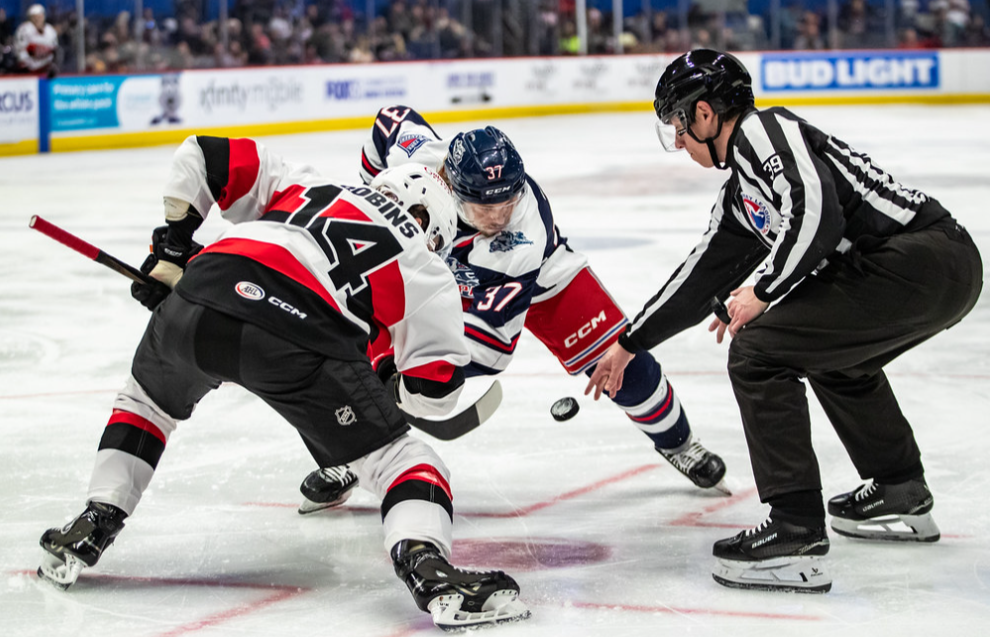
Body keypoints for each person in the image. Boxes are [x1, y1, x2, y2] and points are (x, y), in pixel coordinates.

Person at [37, 136, 531, 631]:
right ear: (434, 227)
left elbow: (203, 155)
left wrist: (175, 248)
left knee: (145, 403)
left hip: (202, 291)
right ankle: (429, 571)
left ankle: (95, 520)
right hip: (301, 334)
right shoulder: (426, 264)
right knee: (405, 461)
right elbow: (436, 392)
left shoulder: (310, 185)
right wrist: (384, 384)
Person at [586, 49, 983, 593]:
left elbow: (816, 215)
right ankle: (899, 490)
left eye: (678, 124)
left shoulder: (763, 131)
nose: (678, 141)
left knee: (758, 352)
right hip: (928, 269)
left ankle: (796, 530)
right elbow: (700, 276)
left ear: (705, 113)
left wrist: (763, 291)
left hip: (923, 257)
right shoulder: (742, 191)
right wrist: (630, 341)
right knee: (833, 358)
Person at [297, 105, 729, 514]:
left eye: (508, 200)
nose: (500, 215)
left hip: (541, 283)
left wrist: (411, 378)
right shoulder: (418, 157)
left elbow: (488, 349)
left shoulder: (518, 240)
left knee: (623, 366)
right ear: (451, 186)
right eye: (487, 205)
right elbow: (388, 121)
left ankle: (678, 443)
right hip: (437, 270)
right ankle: (348, 453)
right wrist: (376, 190)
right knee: (347, 339)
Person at [14, 4, 57, 76]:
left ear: (43, 16)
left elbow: (54, 51)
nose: (37, 19)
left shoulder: (50, 31)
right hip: (28, 70)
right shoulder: (24, 30)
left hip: (45, 69)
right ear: (30, 18)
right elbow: (20, 53)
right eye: (34, 17)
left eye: (39, 17)